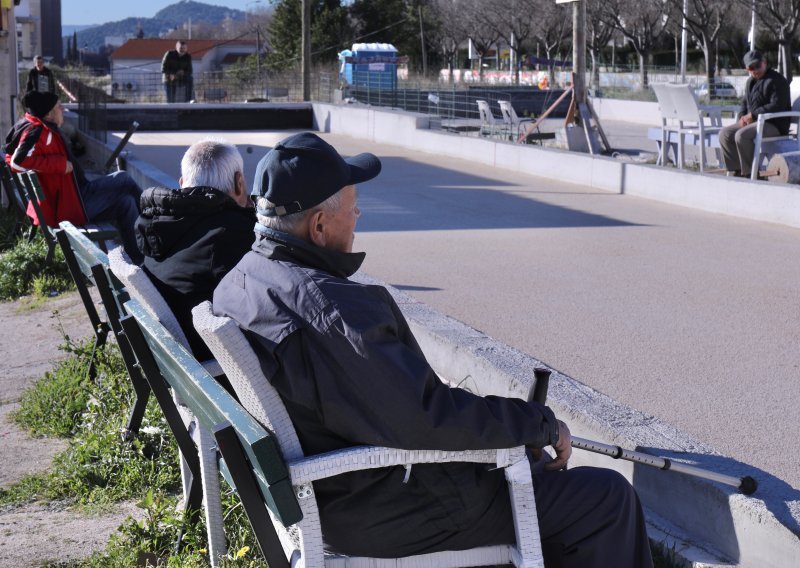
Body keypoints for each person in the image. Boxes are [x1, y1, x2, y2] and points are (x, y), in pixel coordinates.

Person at [213, 132, 654, 567]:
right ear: (320, 226)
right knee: (605, 499)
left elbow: (391, 402)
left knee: (537, 477)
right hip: (387, 508)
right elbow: (426, 417)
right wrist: (537, 424)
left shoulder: (241, 281)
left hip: (335, 492)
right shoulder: (332, 309)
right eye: (352, 207)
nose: (359, 214)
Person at [135, 138, 255, 360]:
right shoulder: (233, 233)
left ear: (182, 183)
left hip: (178, 362)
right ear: (239, 182)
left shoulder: (157, 223)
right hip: (217, 371)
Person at [3, 91, 144, 263]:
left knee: (127, 202)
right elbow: (17, 161)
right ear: (48, 113)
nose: (63, 109)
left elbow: (10, 156)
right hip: (69, 206)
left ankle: (139, 260)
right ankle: (156, 215)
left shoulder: (35, 126)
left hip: (71, 198)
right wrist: (59, 164)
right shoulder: (38, 131)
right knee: (122, 177)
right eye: (58, 107)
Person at [719, 50, 791, 178]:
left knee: (741, 136)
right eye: (751, 68)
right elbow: (744, 102)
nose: (755, 70)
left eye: (757, 66)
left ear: (765, 63)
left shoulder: (777, 80)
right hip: (755, 121)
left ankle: (750, 173)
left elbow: (777, 105)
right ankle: (737, 170)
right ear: (747, 69)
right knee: (725, 134)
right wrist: (742, 117)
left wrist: (753, 115)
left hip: (774, 124)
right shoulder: (750, 82)